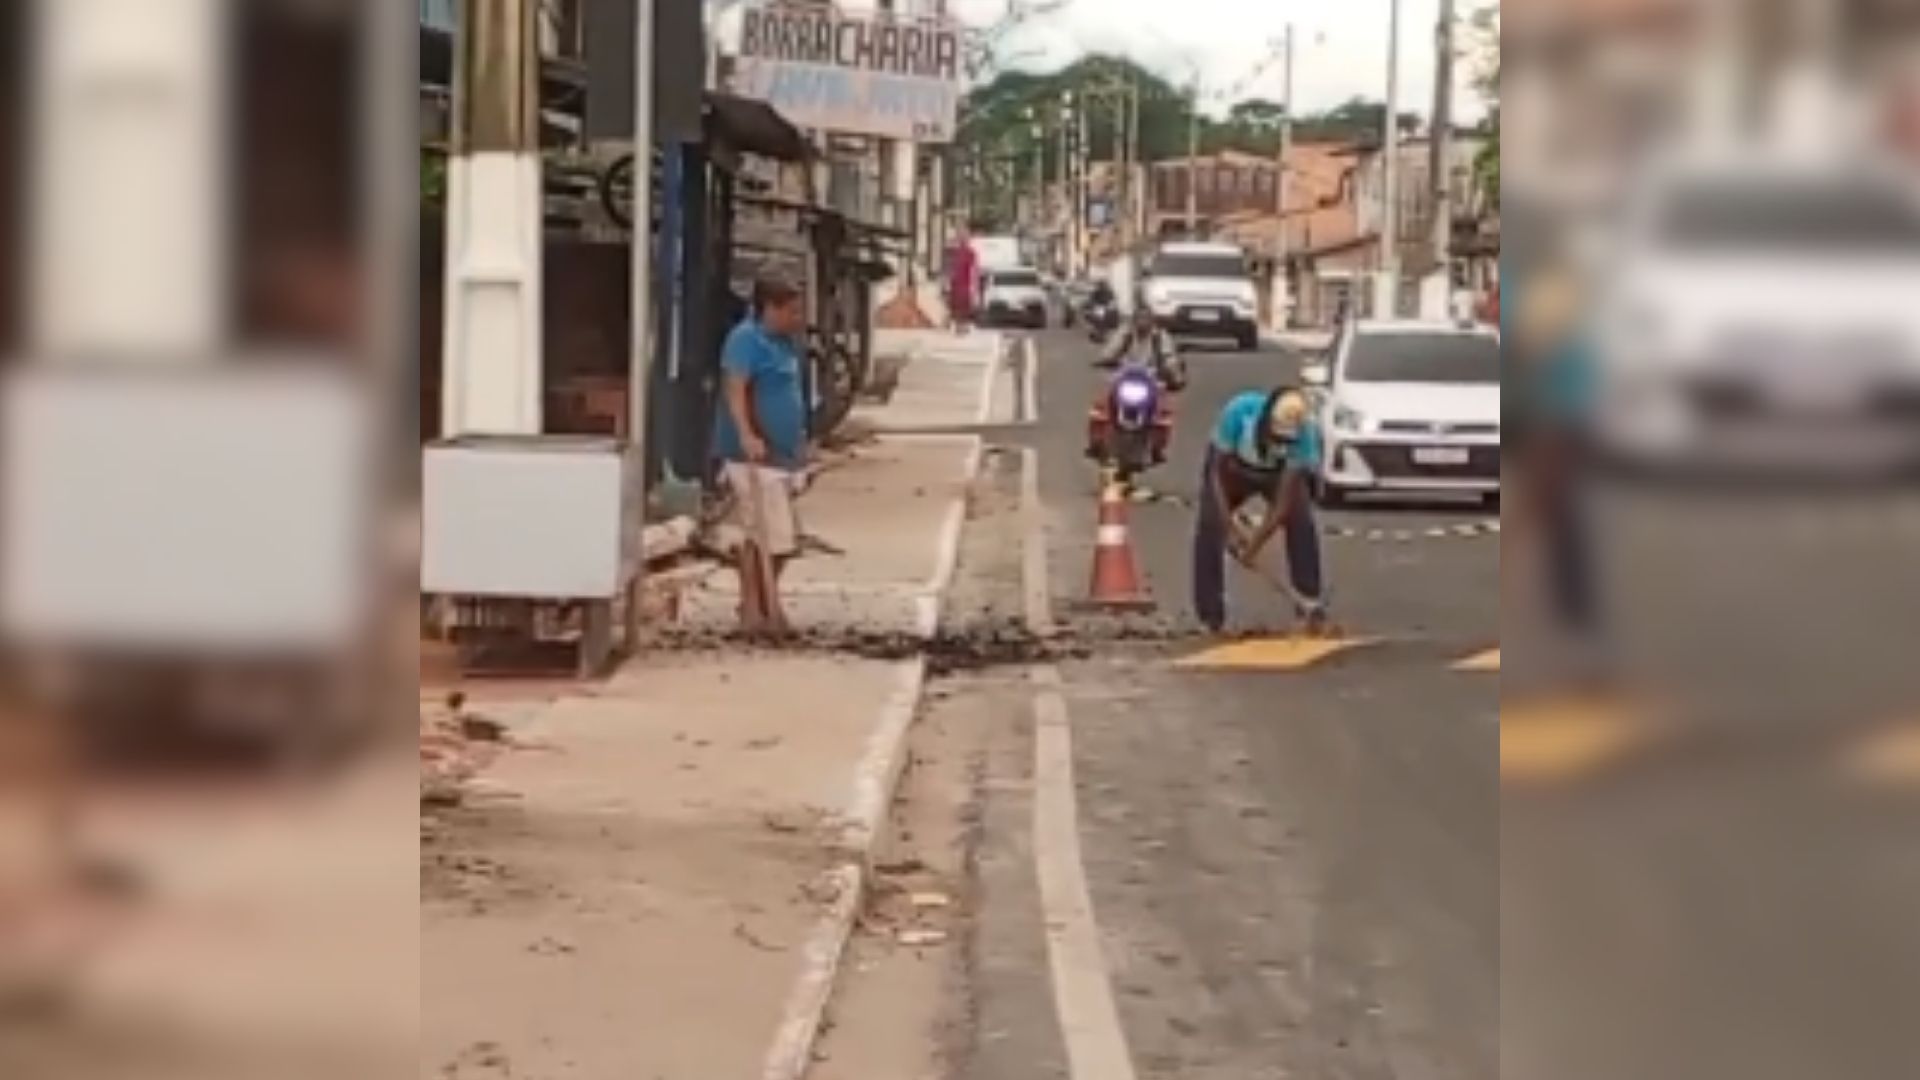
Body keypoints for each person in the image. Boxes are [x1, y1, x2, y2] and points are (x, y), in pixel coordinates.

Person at [712, 274, 811, 637]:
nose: (798, 318)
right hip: (754, 456)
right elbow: (734, 389)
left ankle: (760, 605)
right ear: (770, 308)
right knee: (770, 536)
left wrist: (800, 445)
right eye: (792, 311)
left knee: (775, 538)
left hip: (783, 455)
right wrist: (746, 434)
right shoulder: (744, 340)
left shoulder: (785, 344)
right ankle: (757, 608)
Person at [1192, 387, 1326, 634]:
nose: (1278, 444)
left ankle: (1309, 601)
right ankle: (1209, 616)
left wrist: (1254, 546)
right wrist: (1229, 528)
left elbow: (1283, 503)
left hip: (1276, 476)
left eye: (1285, 441)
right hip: (1232, 470)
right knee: (1210, 525)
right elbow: (1215, 477)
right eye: (1274, 437)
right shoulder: (1238, 413)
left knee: (1301, 519)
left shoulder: (1305, 435)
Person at [1098, 306, 1187, 389]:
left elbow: (1169, 356)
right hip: (1126, 375)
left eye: (1145, 318)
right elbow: (1109, 351)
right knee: (1104, 400)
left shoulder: (1160, 336)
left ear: (1152, 320)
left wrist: (1174, 372)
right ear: (1134, 320)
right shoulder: (1126, 333)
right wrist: (1108, 359)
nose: (1142, 321)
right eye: (1139, 318)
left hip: (1152, 377)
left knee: (1165, 403)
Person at [945, 226, 979, 334]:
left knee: (964, 306)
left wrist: (974, 286)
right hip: (956, 284)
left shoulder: (970, 253)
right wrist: (946, 282)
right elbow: (949, 268)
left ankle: (962, 326)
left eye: (965, 237)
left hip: (965, 285)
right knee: (956, 305)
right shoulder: (953, 252)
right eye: (961, 237)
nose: (963, 239)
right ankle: (958, 326)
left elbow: (973, 270)